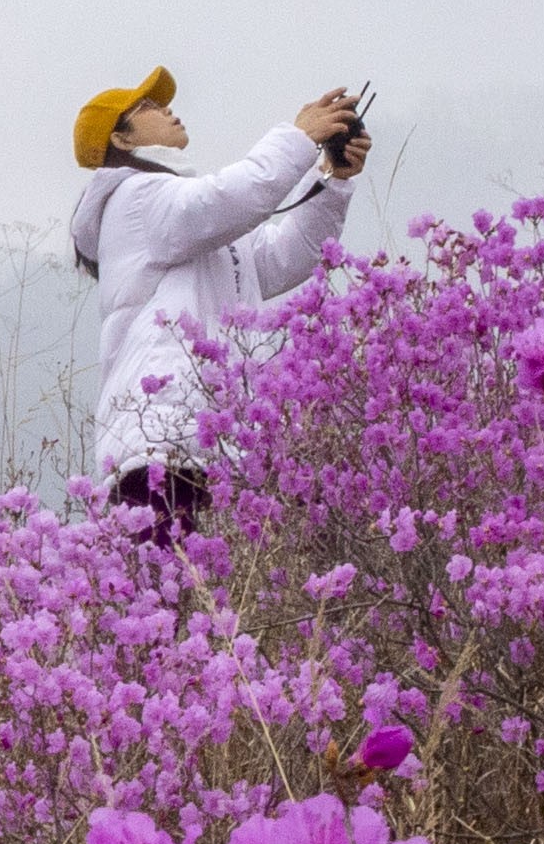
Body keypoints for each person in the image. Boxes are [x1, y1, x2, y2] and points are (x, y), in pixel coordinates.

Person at [67, 67, 364, 531]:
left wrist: (332, 178)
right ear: (120, 140)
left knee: (190, 578)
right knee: (172, 574)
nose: (167, 110)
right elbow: (228, 197)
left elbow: (287, 256)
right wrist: (299, 138)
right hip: (161, 447)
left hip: (205, 447)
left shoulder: (185, 218)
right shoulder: (135, 198)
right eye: (147, 107)